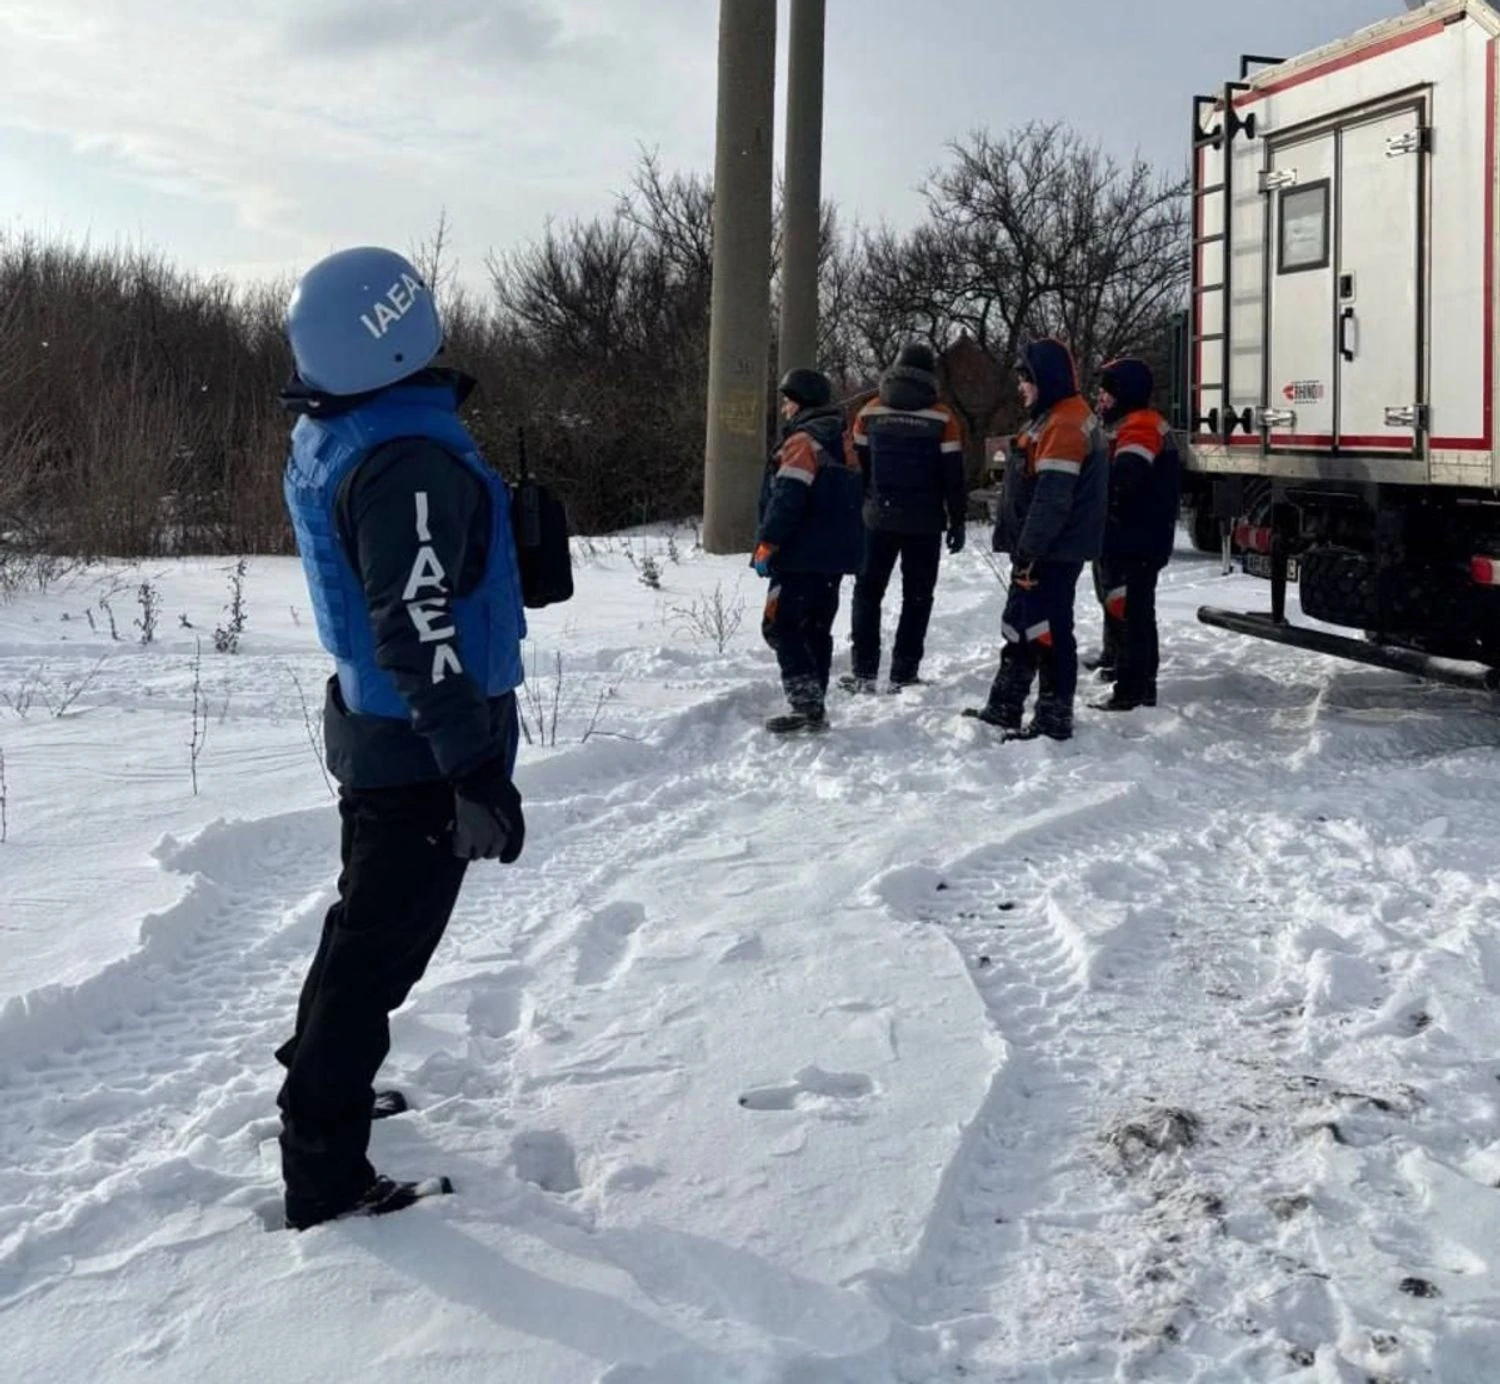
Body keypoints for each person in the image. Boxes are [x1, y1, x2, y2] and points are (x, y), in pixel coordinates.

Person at [276, 246, 528, 1230]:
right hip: (422, 746)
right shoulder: (407, 458)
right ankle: (324, 1163)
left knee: (364, 937)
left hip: (385, 729)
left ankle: (320, 1081)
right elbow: (416, 622)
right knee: (375, 958)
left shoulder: (344, 428)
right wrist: (472, 767)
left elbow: (416, 587)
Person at [964, 338, 1107, 741]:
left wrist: (1029, 552)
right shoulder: (1054, 417)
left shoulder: (1064, 424)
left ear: (1045, 378)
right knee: (1024, 626)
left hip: (1049, 551)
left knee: (1045, 630)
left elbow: (1052, 498)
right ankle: (1006, 705)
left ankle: (1052, 716)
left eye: (1026, 379)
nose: (1020, 388)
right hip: (1045, 549)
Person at [842, 342, 967, 693]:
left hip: (876, 519)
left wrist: (861, 509)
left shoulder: (868, 413)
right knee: (918, 596)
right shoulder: (944, 418)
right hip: (925, 523)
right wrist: (957, 519)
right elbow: (953, 475)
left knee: (867, 593)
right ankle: (905, 672)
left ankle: (864, 672)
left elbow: (857, 470)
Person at [752, 368, 864, 733]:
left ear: (799, 402)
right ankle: (815, 699)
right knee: (817, 627)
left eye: (788, 400)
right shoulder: (842, 439)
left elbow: (788, 499)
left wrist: (768, 542)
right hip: (835, 556)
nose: (785, 407)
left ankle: (806, 703)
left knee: (781, 625)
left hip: (800, 553)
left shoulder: (802, 442)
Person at [1091, 357, 1181, 711]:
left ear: (1124, 393)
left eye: (1107, 392)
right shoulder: (1124, 423)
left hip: (1139, 536)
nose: (1101, 398)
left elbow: (1128, 475)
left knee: (1134, 614)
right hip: (1127, 536)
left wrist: (1098, 494)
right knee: (1122, 606)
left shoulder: (1142, 425)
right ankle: (1123, 670)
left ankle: (1135, 689)